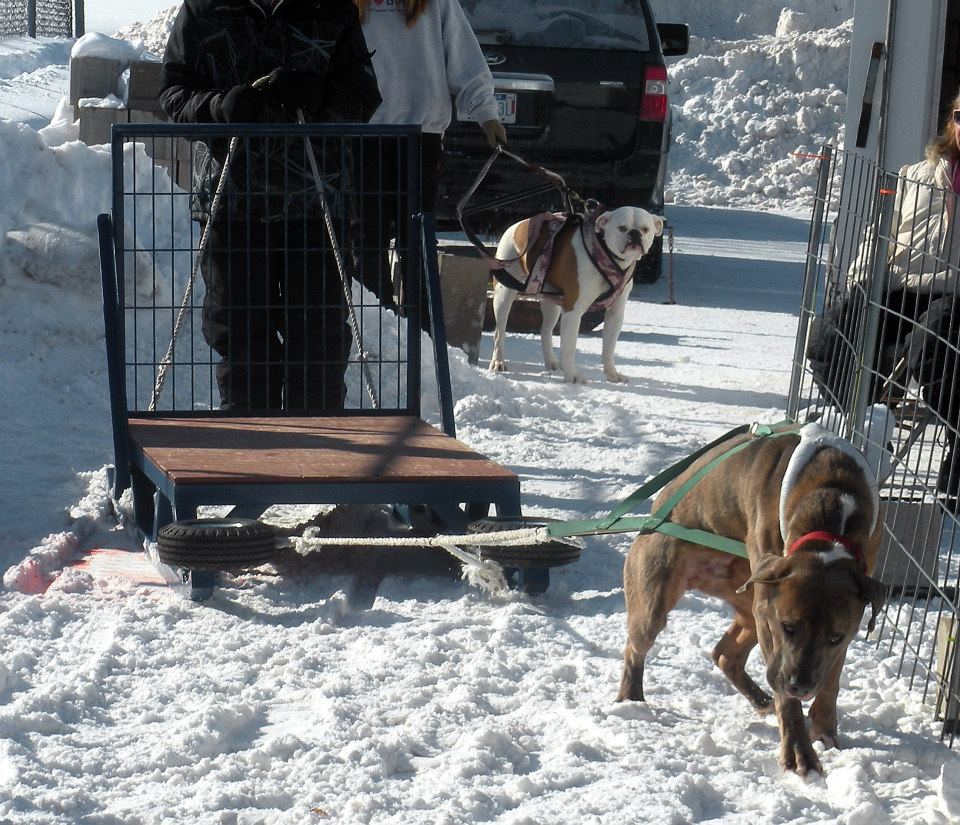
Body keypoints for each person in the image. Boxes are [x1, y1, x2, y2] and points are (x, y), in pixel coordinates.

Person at [158, 0, 382, 411]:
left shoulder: (333, 11)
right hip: (232, 206)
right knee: (241, 340)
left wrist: (319, 96)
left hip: (315, 206)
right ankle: (250, 457)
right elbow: (173, 95)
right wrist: (219, 107)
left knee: (319, 342)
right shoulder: (203, 10)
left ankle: (318, 460)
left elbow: (364, 97)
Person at [808, 94, 960, 503]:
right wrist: (859, 282)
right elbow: (882, 233)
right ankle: (864, 436)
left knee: (931, 352)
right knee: (829, 339)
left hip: (952, 295)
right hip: (896, 286)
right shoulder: (917, 174)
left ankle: (957, 456)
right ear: (951, 122)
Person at [353, 0, 506, 323]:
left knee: (417, 240)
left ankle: (420, 334)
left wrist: (486, 114)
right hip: (359, 135)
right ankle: (376, 330)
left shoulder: (436, 3)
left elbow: (462, 54)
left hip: (420, 135)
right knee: (365, 240)